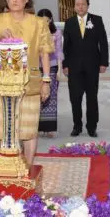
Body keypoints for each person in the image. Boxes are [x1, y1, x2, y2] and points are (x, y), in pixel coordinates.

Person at [0, 0, 54, 166]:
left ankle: (28, 167)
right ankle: (9, 164)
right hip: (4, 83)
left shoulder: (39, 22)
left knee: (29, 128)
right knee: (7, 126)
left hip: (30, 82)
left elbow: (44, 52)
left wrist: (46, 81)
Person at [62, 0, 109, 138]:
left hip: (92, 66)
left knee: (92, 97)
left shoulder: (97, 20)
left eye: (83, 4)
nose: (80, 7)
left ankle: (92, 127)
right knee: (75, 98)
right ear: (74, 6)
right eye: (77, 4)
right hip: (74, 67)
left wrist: (103, 62)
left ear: (88, 5)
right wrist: (65, 65)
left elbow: (103, 43)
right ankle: (77, 126)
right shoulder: (69, 22)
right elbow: (66, 46)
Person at [37, 9, 64, 138]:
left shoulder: (56, 33)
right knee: (37, 97)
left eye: (47, 20)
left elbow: (59, 52)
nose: (45, 23)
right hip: (36, 68)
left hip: (52, 66)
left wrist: (59, 70)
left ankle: (50, 128)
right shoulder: (34, 32)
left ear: (51, 20)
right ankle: (36, 126)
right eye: (42, 20)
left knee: (51, 97)